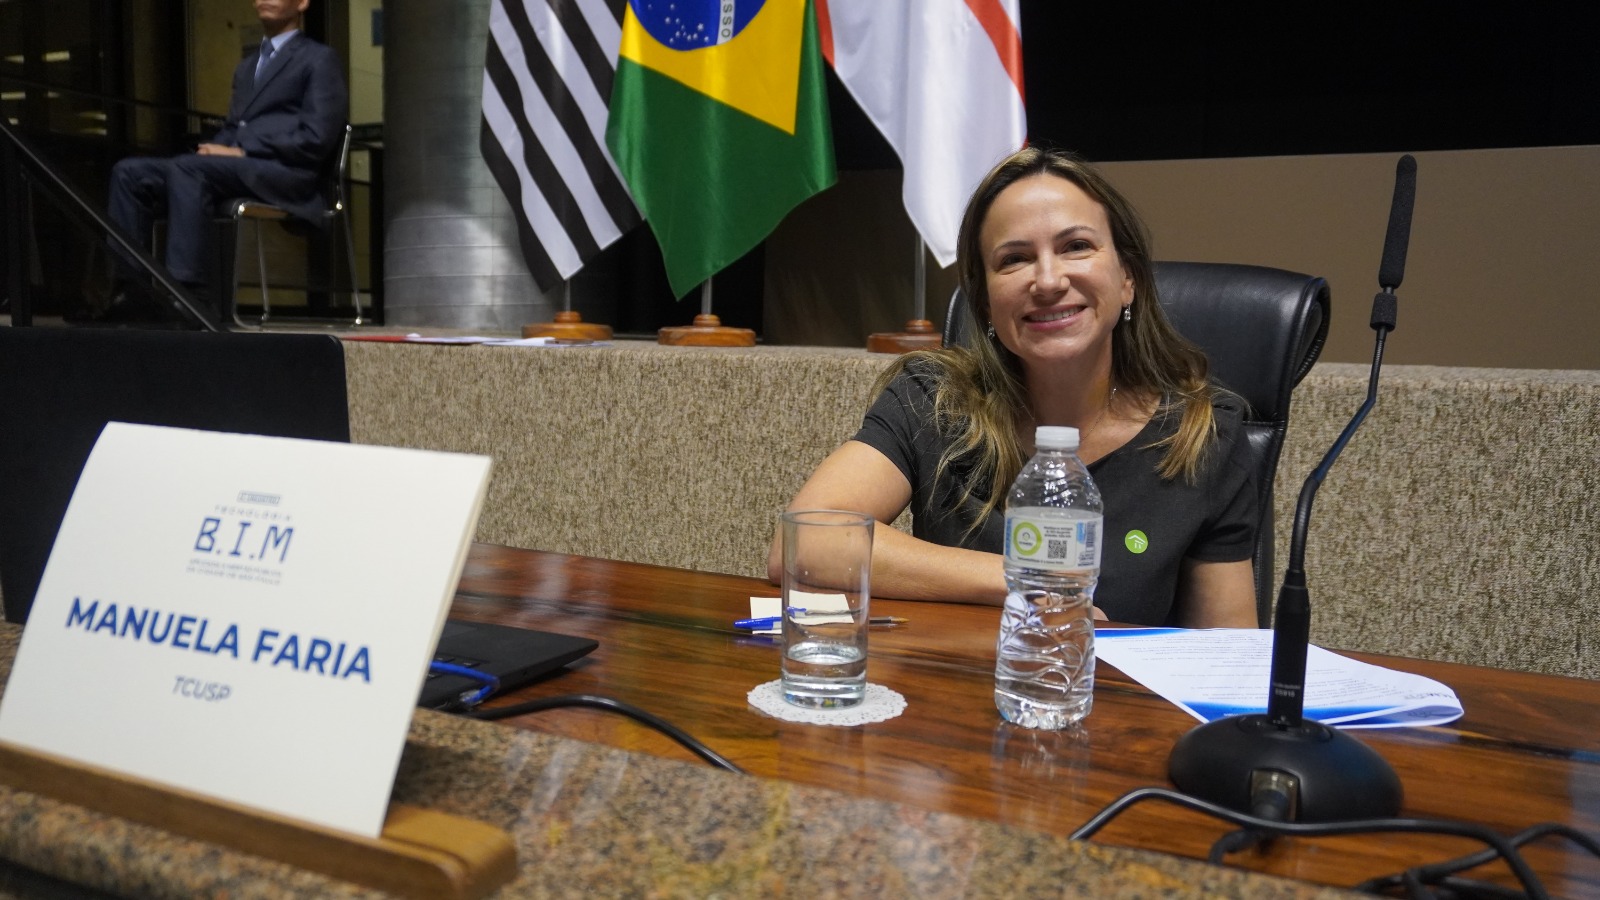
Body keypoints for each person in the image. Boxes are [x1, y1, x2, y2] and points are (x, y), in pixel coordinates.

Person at [768, 148, 1258, 628]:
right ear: (984, 302)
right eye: (1015, 259)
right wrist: (1023, 579)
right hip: (955, 680)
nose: (1048, 280)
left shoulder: (1203, 434)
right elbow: (804, 542)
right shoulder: (934, 398)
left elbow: (1229, 657)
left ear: (1127, 278)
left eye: (1076, 246)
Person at [105, 0, 347, 317]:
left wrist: (242, 150)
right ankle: (130, 289)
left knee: (189, 170)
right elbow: (234, 128)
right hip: (240, 167)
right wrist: (214, 150)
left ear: (302, 2)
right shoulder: (247, 67)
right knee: (129, 172)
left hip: (288, 171)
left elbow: (317, 137)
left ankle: (189, 293)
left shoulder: (319, 58)